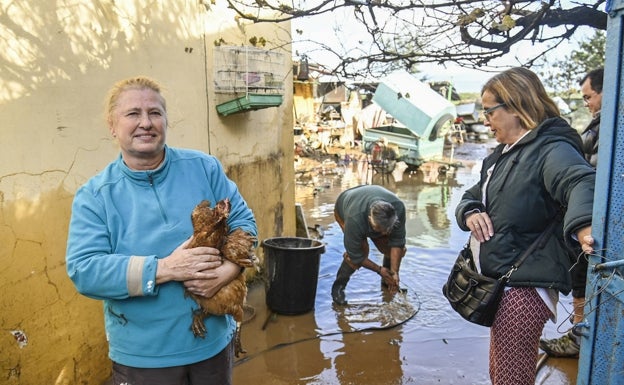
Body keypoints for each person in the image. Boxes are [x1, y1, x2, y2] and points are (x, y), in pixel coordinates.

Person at [65, 76, 257, 385]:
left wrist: (227, 271)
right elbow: (84, 270)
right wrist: (165, 268)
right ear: (112, 126)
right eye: (133, 114)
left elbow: (245, 223)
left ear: (166, 120)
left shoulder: (204, 168)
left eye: (155, 112)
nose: (146, 123)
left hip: (211, 345)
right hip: (143, 356)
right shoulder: (96, 196)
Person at [454, 67, 595, 384]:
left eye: (489, 111)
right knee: (500, 370)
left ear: (516, 106)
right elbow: (472, 194)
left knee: (511, 377)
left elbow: (579, 182)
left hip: (525, 285)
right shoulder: (502, 154)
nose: (485, 120)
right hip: (503, 279)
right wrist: (470, 211)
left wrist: (584, 227)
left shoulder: (551, 149)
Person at [539, 67, 603, 358]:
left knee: (582, 277)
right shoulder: (600, 125)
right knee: (582, 277)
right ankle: (582, 334)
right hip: (589, 217)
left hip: (592, 221)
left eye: (589, 96)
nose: (587, 103)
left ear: (607, 91)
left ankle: (579, 338)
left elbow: (592, 177)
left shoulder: (609, 128)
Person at [331, 184, 407, 305]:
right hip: (345, 206)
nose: (383, 233)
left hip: (367, 198)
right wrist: (379, 270)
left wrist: (395, 272)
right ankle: (338, 288)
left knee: (394, 248)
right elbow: (356, 255)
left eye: (387, 230)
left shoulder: (399, 208)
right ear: (369, 218)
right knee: (359, 252)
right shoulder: (354, 219)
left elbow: (397, 242)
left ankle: (388, 282)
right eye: (379, 230)